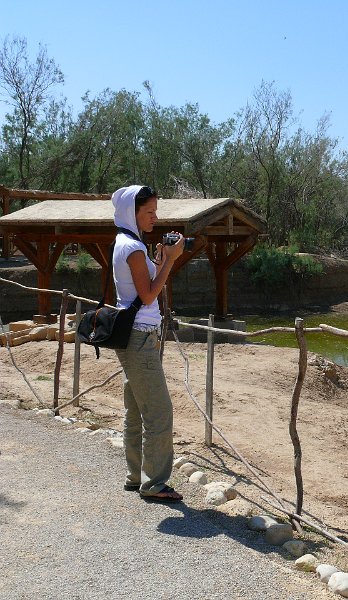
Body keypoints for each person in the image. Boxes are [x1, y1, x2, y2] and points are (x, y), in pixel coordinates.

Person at [111, 184, 185, 503]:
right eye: (149, 212)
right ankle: (155, 482)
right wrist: (171, 259)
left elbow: (139, 288)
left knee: (135, 406)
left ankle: (135, 474)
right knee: (159, 409)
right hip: (140, 338)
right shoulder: (134, 248)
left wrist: (157, 261)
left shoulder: (125, 242)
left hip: (133, 337)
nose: (155, 217)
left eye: (156, 210)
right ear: (133, 212)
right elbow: (148, 295)